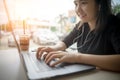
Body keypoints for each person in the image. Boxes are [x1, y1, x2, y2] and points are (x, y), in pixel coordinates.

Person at [36, 0, 120, 72]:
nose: (78, 10)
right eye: (76, 4)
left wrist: (77, 57)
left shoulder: (113, 24)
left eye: (83, 3)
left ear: (99, 5)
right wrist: (54, 48)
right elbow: (65, 42)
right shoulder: (82, 25)